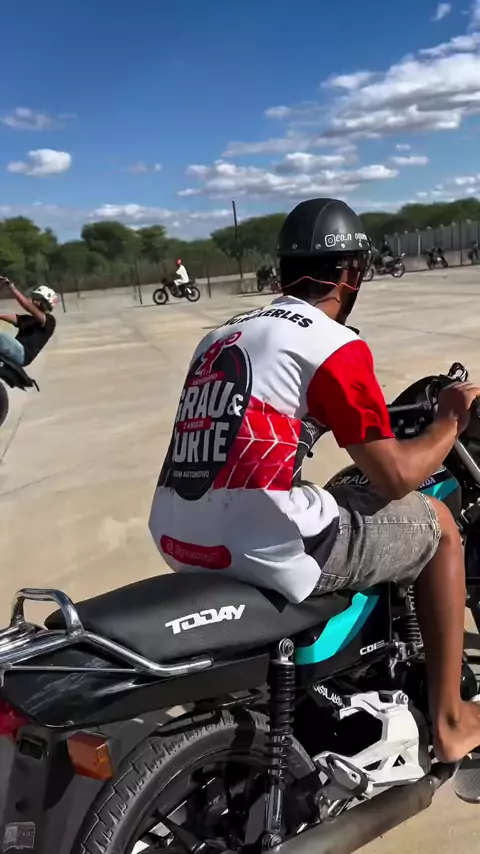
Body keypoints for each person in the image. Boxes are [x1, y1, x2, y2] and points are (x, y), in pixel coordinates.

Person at [149, 197, 480, 765]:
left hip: (179, 533)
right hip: (261, 541)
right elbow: (395, 476)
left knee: (337, 493)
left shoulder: (223, 334)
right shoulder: (332, 343)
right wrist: (449, 420)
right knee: (439, 524)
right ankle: (452, 720)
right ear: (351, 273)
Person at [0, 278, 58, 367]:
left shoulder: (49, 320)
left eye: (37, 299)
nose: (33, 301)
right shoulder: (27, 319)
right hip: (16, 351)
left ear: (45, 303)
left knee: (2, 337)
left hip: (23, 354)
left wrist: (11, 287)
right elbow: (13, 317)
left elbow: (27, 306)